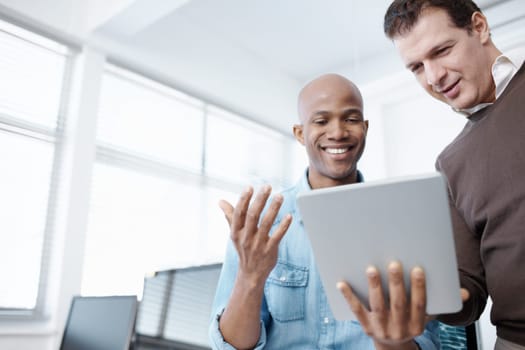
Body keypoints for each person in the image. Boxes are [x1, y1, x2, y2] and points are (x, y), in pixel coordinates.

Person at [208, 73, 440, 350]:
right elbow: (230, 347)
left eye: (351, 119)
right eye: (321, 121)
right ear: (300, 133)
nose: (338, 132)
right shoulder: (260, 227)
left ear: (365, 127)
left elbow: (427, 343)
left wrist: (390, 339)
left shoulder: (402, 222)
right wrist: (250, 277)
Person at [383, 1, 525, 349]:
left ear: (479, 27)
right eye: (417, 67)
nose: (433, 77)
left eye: (442, 51)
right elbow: (469, 294)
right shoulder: (450, 163)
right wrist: (426, 295)